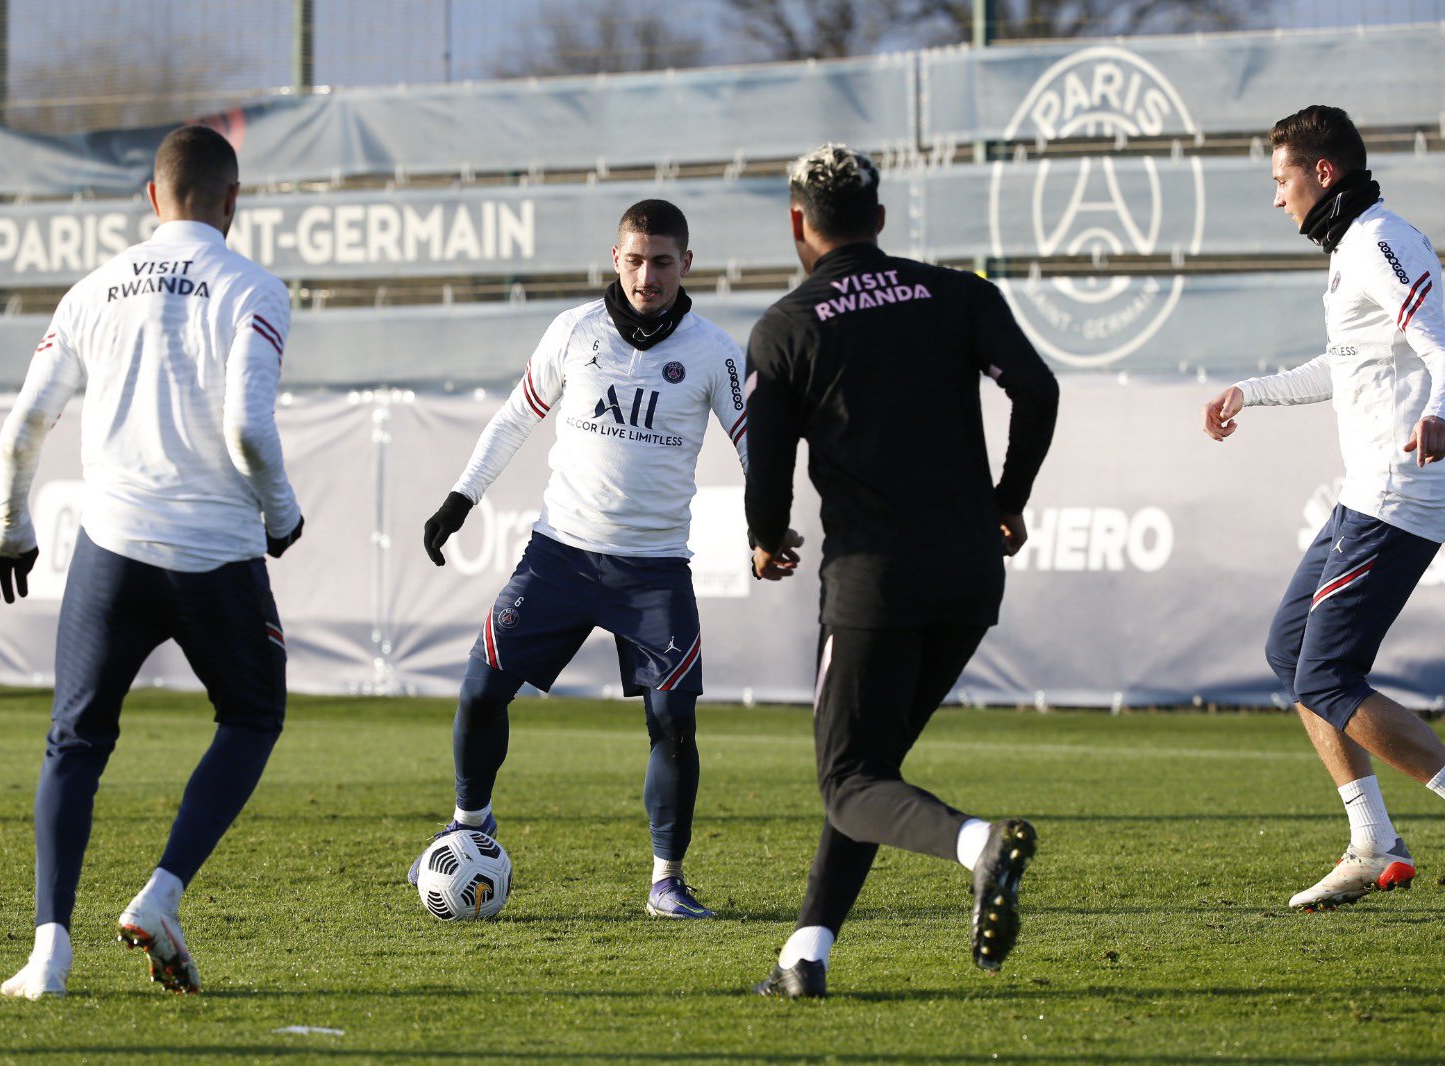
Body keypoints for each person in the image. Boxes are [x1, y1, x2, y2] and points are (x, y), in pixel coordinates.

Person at [0, 126, 304, 999]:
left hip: (112, 549)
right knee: (251, 715)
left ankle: (48, 951)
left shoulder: (91, 290)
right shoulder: (255, 288)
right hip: (214, 552)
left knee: (74, 741)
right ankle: (160, 894)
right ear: (232, 201)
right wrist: (283, 513)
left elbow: (22, 430)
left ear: (151, 199)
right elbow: (248, 428)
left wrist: (10, 529)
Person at [743, 144, 1059, 998]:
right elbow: (1037, 390)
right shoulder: (959, 293)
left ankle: (979, 845)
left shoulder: (786, 326)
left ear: (797, 225)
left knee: (849, 781)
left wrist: (765, 536)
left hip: (874, 582)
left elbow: (765, 471)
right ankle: (805, 957)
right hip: (968, 575)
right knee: (868, 772)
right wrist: (1008, 496)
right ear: (880, 219)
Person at [417, 199, 786, 919]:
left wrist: (764, 530)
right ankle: (468, 829)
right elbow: (514, 417)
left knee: (673, 722)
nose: (647, 275)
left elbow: (755, 449)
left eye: (662, 261)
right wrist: (461, 499)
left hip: (653, 573)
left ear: (687, 263)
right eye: (635, 259)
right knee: (478, 691)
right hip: (558, 559)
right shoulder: (574, 330)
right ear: (614, 258)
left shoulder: (714, 351)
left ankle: (666, 881)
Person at [1203, 105, 1445, 911]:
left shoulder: (1380, 238)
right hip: (1363, 491)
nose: (1278, 198)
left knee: (1329, 674)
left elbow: (1443, 341)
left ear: (1324, 173)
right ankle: (1374, 840)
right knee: (1291, 654)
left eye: (1282, 179)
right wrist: (1253, 392)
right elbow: (1346, 367)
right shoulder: (1350, 249)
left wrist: (1442, 410)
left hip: (1399, 493)